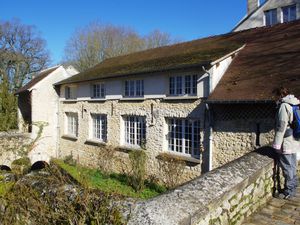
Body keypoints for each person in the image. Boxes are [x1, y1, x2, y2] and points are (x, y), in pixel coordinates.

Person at [273, 87, 299, 199]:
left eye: (274, 96)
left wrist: (277, 144)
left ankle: (289, 191)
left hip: (287, 142)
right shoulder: (295, 104)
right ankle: (293, 187)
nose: (274, 98)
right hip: (294, 139)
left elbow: (281, 126)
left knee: (287, 166)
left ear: (279, 95)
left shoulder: (284, 106)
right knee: (292, 166)